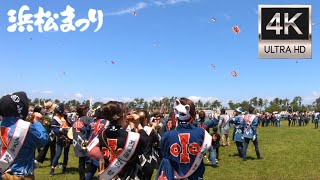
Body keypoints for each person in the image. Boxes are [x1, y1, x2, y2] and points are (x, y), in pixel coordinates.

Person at [89, 101, 148, 179]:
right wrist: (138, 125)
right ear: (123, 115)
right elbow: (145, 143)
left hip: (110, 175)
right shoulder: (130, 136)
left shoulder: (102, 134)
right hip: (127, 175)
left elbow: (117, 132)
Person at [156, 98, 212, 180]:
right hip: (195, 176)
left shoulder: (167, 135)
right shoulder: (202, 133)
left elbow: (164, 154)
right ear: (193, 113)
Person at [0, 91, 48, 179]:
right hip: (20, 174)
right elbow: (42, 140)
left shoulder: (1, 125)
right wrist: (37, 122)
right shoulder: (25, 127)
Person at [137, 109, 160, 180]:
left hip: (136, 160)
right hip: (147, 160)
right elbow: (158, 140)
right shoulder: (150, 130)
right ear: (146, 119)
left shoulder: (132, 129)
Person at [50, 103, 71, 176]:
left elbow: (70, 125)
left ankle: (64, 168)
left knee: (66, 154)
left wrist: (69, 128)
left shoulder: (65, 117)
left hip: (67, 138)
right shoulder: (55, 119)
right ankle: (52, 169)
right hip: (60, 138)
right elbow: (53, 129)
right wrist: (61, 130)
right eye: (64, 109)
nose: (65, 110)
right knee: (58, 154)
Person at [72, 105, 92, 180]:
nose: (88, 110)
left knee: (81, 162)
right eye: (87, 109)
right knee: (88, 161)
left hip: (76, 142)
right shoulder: (87, 119)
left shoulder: (77, 120)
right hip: (84, 142)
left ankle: (82, 177)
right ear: (84, 111)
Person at [35, 101, 57, 166]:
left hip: (46, 131)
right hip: (50, 131)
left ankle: (52, 162)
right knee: (51, 147)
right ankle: (53, 162)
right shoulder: (51, 115)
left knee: (47, 147)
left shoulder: (45, 114)